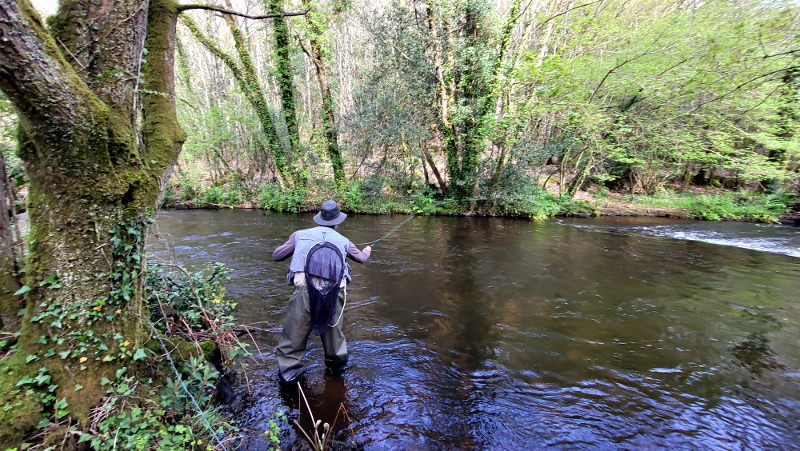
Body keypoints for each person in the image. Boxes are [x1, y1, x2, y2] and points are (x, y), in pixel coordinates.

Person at [272, 200, 371, 384]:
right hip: (334, 295)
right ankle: (336, 376)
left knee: (293, 338)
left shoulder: (299, 235)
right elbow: (361, 259)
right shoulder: (344, 241)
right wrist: (367, 250)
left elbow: (277, 255)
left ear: (319, 219)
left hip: (304, 292)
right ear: (337, 221)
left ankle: (290, 380)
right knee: (334, 340)